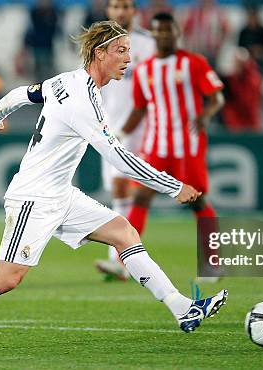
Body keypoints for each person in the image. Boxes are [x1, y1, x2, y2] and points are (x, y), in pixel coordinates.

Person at [0, 20, 228, 350]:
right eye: (121, 51)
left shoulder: (66, 81)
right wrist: (172, 186)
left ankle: (183, 308)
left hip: (60, 193)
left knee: (125, 233)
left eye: (129, 50)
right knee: (6, 280)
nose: (129, 58)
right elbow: (118, 157)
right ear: (100, 53)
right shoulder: (83, 100)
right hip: (34, 197)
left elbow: (22, 94)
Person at [123, 13, 224, 279]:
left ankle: (213, 261)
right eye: (159, 31)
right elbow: (139, 109)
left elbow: (216, 98)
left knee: (196, 201)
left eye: (168, 31)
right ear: (153, 34)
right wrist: (119, 134)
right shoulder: (144, 70)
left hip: (187, 144)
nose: (164, 35)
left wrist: (205, 115)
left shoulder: (194, 63)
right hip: (156, 144)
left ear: (177, 32)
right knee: (141, 196)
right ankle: (125, 260)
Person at [94, 0, 156, 281]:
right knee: (120, 192)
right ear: (109, 11)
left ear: (135, 11)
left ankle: (120, 261)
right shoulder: (97, 44)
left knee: (130, 191)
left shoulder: (148, 44)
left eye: (126, 6)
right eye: (116, 6)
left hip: (145, 129)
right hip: (110, 129)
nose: (121, 11)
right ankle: (122, 262)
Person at [182, 0, 229, 68]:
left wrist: (219, 45)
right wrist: (189, 46)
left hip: (212, 52)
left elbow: (225, 30)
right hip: (197, 51)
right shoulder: (194, 12)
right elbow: (186, 30)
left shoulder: (218, 13)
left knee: (210, 73)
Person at [237, 6, 263, 78]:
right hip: (246, 60)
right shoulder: (244, 31)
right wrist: (249, 51)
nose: (252, 19)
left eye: (253, 17)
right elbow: (239, 47)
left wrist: (259, 50)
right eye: (250, 17)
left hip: (259, 60)